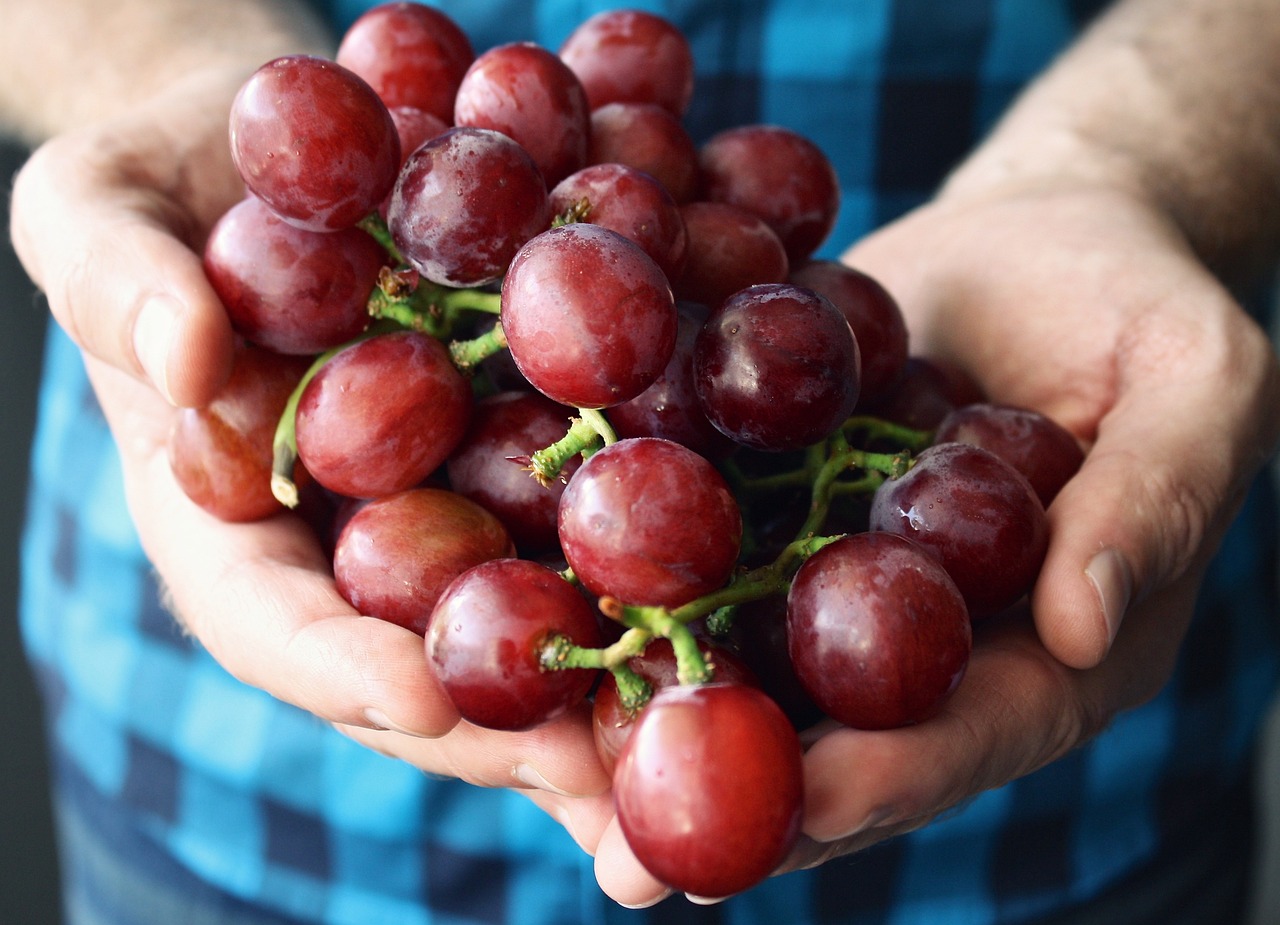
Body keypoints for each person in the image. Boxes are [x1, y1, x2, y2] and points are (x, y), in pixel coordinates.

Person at [4, 0, 1279, 922]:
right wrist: (147, 55)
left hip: (1058, 836)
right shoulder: (455, 310)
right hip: (239, 794)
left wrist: (1130, 168)